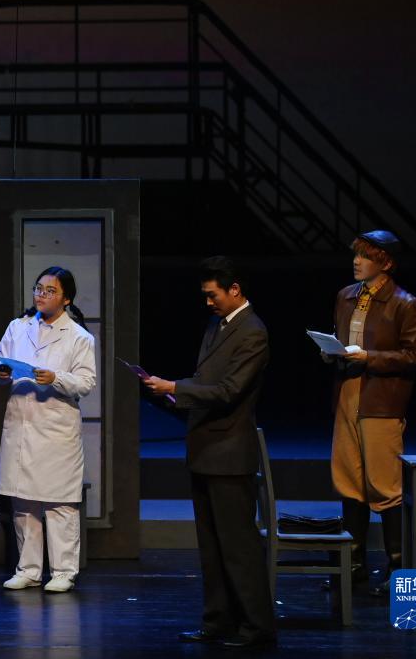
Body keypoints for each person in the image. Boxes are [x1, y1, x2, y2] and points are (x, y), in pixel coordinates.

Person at [145, 256, 276, 649]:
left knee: (238, 548)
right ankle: (218, 621)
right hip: (205, 449)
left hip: (229, 453)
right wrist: (171, 394)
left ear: (235, 289)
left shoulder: (253, 332)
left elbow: (229, 391)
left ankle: (256, 628)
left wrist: (175, 388)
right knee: (212, 547)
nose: (207, 302)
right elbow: (207, 382)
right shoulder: (218, 325)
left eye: (213, 294)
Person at [326, 230, 416, 596]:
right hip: (347, 396)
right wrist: (331, 351)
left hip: (380, 401)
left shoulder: (404, 303)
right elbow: (344, 340)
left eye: (366, 256)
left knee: (384, 485)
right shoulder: (345, 296)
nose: (357, 261)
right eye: (356, 254)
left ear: (386, 262)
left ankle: (397, 567)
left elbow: (415, 356)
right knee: (349, 481)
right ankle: (353, 565)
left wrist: (370, 358)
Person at [0, 266, 96, 593]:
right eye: (39, 288)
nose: (41, 295)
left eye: (50, 291)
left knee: (59, 503)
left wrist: (56, 378)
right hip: (20, 423)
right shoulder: (17, 327)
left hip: (55, 429)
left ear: (66, 299)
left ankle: (64, 571)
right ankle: (28, 569)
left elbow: (86, 382)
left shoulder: (79, 337)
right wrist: (2, 374)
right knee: (23, 500)